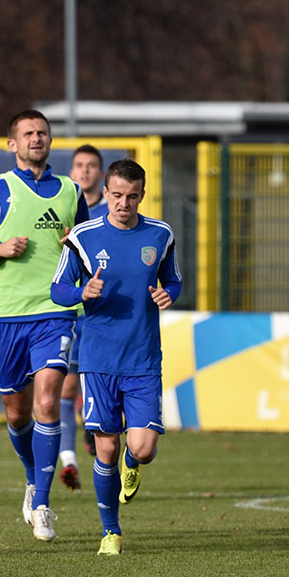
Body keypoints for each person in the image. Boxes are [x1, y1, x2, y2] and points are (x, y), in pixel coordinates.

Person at [0, 109, 88, 542]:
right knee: (16, 411)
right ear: (12, 144)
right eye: (28, 133)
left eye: (42, 132)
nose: (36, 138)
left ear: (51, 140)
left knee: (48, 401)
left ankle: (42, 504)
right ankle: (32, 477)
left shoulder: (71, 191)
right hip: (8, 316)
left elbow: (89, 243)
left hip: (55, 311)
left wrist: (75, 243)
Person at [50, 158, 181, 556]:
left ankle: (133, 462)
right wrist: (81, 293)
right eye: (118, 195)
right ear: (105, 193)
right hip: (98, 360)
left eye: (133, 196)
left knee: (143, 448)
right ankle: (111, 531)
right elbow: (58, 289)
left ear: (142, 196)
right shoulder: (83, 237)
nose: (124, 203)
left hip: (143, 358)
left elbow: (173, 280)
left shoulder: (160, 234)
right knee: (105, 449)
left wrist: (168, 294)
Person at [57, 144, 107, 491]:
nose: (85, 171)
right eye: (79, 165)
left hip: (102, 313)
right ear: (72, 172)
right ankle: (68, 460)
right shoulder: (65, 207)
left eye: (91, 165)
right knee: (67, 383)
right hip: (70, 309)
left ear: (101, 174)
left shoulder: (113, 211)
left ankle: (93, 426)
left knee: (99, 382)